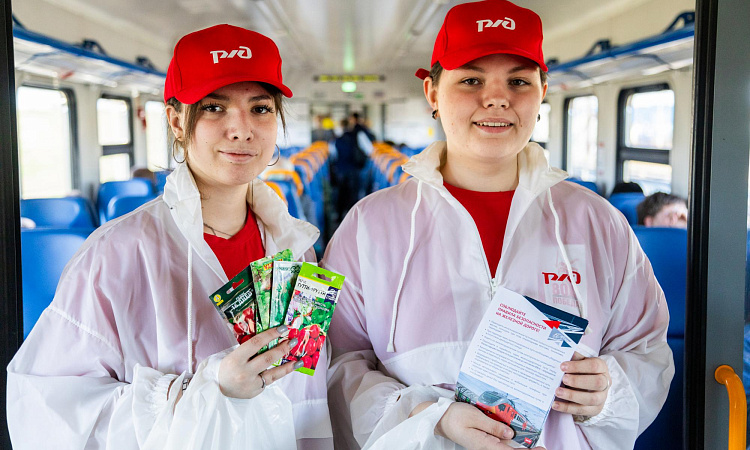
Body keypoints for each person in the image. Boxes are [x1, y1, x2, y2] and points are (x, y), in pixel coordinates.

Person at [323, 1, 673, 449]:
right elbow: (338, 363)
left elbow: (647, 352)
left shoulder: (598, 223)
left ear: (543, 92)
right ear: (432, 93)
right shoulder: (369, 227)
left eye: (519, 81)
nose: (497, 98)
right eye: (471, 80)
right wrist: (428, 417)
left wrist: (609, 393)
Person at [7, 24, 332, 449]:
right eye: (214, 108)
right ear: (177, 121)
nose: (241, 129)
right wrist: (205, 392)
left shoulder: (296, 248)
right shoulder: (116, 253)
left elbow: (309, 396)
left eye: (260, 108)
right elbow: (48, 413)